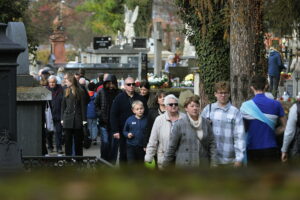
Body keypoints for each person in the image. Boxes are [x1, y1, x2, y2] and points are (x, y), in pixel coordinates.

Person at [240, 75, 286, 165]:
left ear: (252, 88)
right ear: (266, 86)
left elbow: (242, 130)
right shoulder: (276, 104)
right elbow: (285, 126)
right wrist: (274, 132)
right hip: (271, 147)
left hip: (252, 148)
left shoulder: (245, 107)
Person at [163, 95, 217, 168]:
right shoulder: (179, 124)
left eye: (197, 106)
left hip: (202, 166)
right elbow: (171, 147)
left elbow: (212, 144)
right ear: (186, 108)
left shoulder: (206, 123)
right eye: (192, 106)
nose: (195, 108)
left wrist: (214, 164)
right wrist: (165, 166)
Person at [201, 81, 245, 167]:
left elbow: (239, 137)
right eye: (220, 93)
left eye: (225, 93)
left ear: (229, 94)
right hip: (210, 158)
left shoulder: (235, 112)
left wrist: (239, 159)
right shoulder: (208, 110)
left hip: (229, 160)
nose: (223, 95)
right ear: (215, 94)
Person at [110, 77, 148, 164]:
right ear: (124, 86)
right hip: (124, 130)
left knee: (140, 156)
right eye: (129, 84)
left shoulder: (140, 98)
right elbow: (113, 115)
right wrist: (115, 131)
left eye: (133, 84)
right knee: (124, 154)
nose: (131, 86)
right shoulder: (119, 98)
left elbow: (146, 114)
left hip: (139, 131)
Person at [145, 94, 184, 169]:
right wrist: (149, 156)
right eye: (171, 104)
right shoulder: (159, 119)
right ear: (166, 106)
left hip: (181, 158)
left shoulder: (185, 118)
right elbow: (153, 139)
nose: (173, 106)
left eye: (176, 104)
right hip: (164, 157)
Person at [94, 74, 121, 161]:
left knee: (114, 146)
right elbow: (96, 104)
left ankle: (111, 163)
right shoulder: (101, 92)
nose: (110, 85)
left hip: (115, 124)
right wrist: (100, 114)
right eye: (108, 83)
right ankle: (103, 161)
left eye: (112, 83)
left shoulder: (119, 93)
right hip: (104, 123)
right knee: (105, 143)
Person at [61, 73, 87, 156]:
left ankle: (79, 160)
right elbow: (63, 106)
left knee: (78, 142)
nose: (65, 82)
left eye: (67, 81)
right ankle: (68, 159)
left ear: (71, 82)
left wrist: (84, 120)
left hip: (77, 120)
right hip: (67, 119)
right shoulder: (66, 91)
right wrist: (62, 119)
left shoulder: (80, 92)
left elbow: (83, 107)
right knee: (67, 142)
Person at [46, 75, 64, 154]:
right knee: (49, 132)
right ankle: (50, 146)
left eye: (53, 82)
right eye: (50, 82)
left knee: (58, 132)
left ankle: (59, 148)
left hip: (58, 114)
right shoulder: (46, 90)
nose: (52, 84)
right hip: (49, 115)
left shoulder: (61, 90)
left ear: (56, 82)